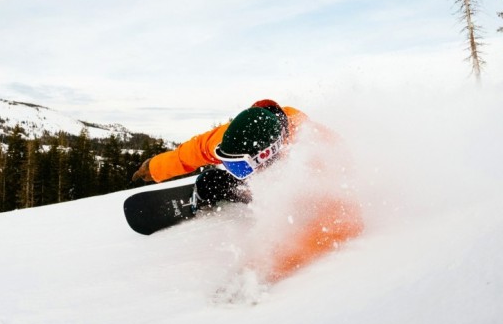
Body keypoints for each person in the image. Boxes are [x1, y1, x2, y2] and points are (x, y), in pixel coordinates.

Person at [132, 99, 363, 281]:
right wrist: (154, 168)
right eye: (229, 163)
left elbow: (344, 221)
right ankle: (223, 189)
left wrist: (273, 264)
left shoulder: (317, 152)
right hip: (273, 180)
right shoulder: (235, 136)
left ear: (268, 152)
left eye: (240, 166)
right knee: (212, 180)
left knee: (295, 205)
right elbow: (194, 150)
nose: (234, 169)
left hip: (311, 197)